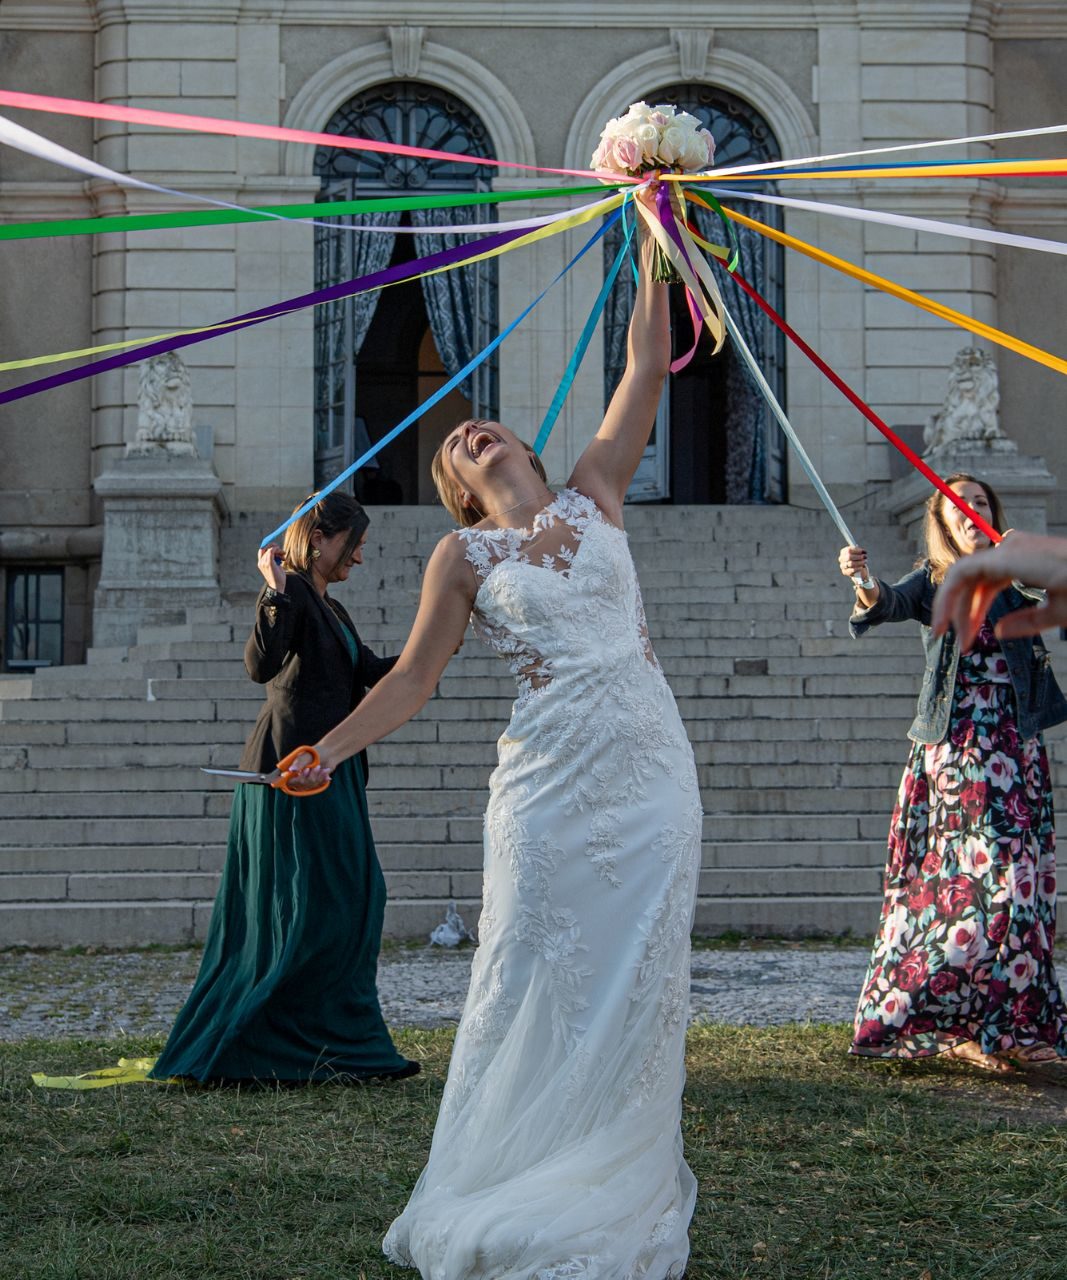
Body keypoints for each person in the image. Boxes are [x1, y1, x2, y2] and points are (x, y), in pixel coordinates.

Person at [290, 190, 701, 1278]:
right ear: (460, 493)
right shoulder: (461, 561)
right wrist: (327, 748)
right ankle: (509, 1169)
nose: (472, 432)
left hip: (650, 769)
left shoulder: (596, 492)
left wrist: (653, 226)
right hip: (546, 783)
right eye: (457, 448)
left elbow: (645, 365)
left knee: (640, 971)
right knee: (530, 969)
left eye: (484, 426)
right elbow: (416, 677)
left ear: (519, 442)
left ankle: (615, 1165)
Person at [149, 492, 417, 1085]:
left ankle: (333, 1042)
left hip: (335, 767)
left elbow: (372, 673)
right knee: (314, 904)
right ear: (319, 537)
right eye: (355, 544)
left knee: (354, 899)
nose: (360, 558)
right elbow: (260, 667)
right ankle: (272, 1044)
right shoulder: (292, 592)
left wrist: (438, 641)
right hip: (293, 772)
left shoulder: (333, 607)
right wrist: (271, 591)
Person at [839, 473, 1067, 1072]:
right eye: (959, 506)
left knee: (1018, 887)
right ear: (944, 523)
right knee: (961, 891)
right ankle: (965, 1028)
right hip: (956, 758)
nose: (972, 513)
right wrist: (862, 579)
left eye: (982, 503)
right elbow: (887, 603)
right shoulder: (938, 579)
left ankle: (1012, 1027)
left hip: (1016, 752)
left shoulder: (1018, 582)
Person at [933, 529, 1067, 646]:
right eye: (957, 506)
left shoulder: (1013, 573)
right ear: (945, 528)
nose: (973, 509)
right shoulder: (929, 577)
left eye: (981, 502)